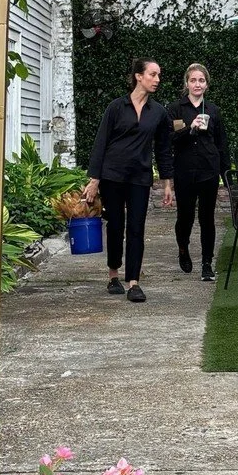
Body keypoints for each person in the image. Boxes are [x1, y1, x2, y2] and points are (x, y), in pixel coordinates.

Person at [82, 58, 175, 303]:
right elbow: (101, 143)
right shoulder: (116, 107)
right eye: (152, 74)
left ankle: (133, 282)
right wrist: (94, 180)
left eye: (158, 75)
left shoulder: (158, 112)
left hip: (140, 178)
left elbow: (164, 150)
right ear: (138, 76)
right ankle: (113, 274)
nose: (157, 80)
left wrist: (167, 183)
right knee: (115, 225)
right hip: (112, 176)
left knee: (136, 227)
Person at [167, 63, 230, 281]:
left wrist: (226, 175)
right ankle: (183, 248)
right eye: (193, 80)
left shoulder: (213, 110)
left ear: (206, 85)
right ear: (187, 83)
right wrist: (190, 128)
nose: (197, 84)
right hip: (184, 171)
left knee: (207, 218)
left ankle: (207, 263)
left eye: (201, 80)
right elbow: (172, 138)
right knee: (185, 218)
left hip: (208, 170)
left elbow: (221, 143)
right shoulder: (176, 109)